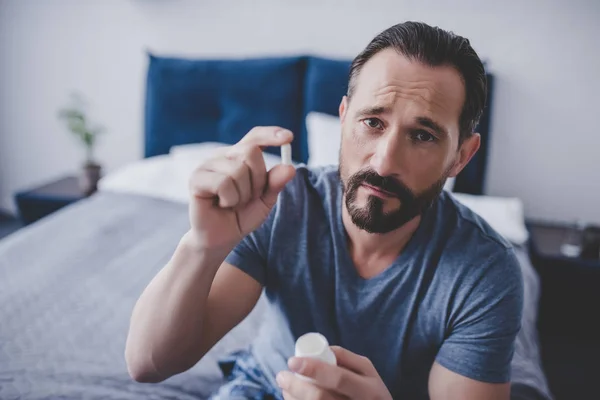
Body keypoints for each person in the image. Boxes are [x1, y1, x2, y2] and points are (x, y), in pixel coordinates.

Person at [125, 21, 524, 399]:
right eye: (372, 122)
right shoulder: (280, 204)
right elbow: (147, 364)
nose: (384, 163)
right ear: (345, 116)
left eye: (422, 135)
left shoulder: (484, 271)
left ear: (461, 156)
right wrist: (202, 245)